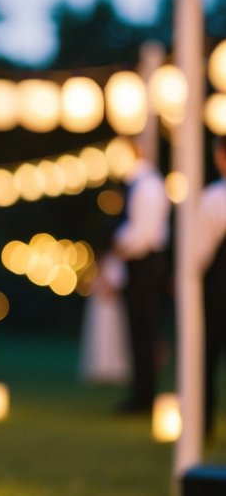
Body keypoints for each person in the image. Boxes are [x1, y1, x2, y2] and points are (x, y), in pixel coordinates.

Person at [112, 138, 170, 412]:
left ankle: (144, 397)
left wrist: (120, 245)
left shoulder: (146, 185)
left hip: (145, 264)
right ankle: (140, 393)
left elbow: (143, 233)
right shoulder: (139, 184)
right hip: (141, 264)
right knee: (138, 331)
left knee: (144, 331)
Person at [198, 135, 226, 441]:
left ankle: (204, 422)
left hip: (219, 289)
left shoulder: (215, 198)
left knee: (208, 356)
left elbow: (199, 252)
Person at [78, 251, 131, 385]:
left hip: (111, 309)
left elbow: (117, 287)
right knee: (99, 337)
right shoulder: (94, 266)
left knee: (113, 337)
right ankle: (99, 369)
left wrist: (108, 288)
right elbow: (86, 285)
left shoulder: (116, 264)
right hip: (99, 309)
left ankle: (113, 369)